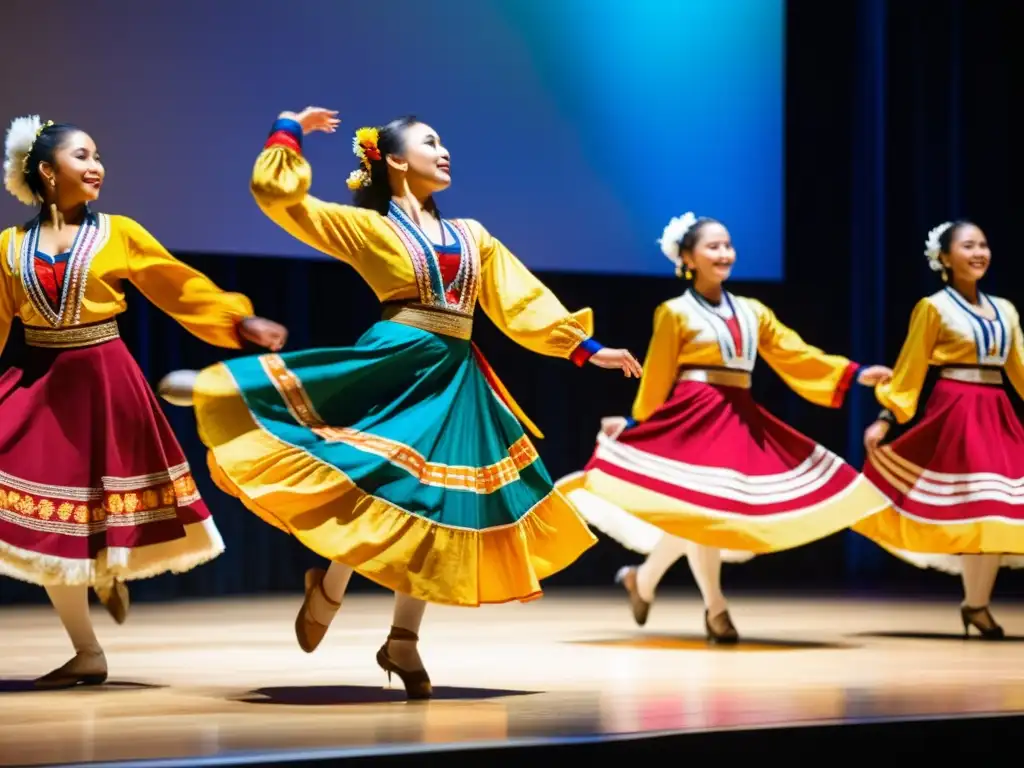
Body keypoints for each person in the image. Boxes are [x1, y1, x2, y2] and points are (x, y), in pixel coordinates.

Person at [159, 106, 642, 698]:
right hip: (397, 362)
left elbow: (521, 299)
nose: (444, 151)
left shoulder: (474, 236)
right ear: (393, 160)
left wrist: (584, 347)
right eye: (430, 142)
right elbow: (282, 201)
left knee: (434, 501)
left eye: (444, 142)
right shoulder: (372, 229)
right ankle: (227, 396)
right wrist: (288, 129)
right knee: (381, 480)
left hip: (455, 377)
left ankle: (401, 638)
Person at [0, 115, 287, 689]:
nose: (96, 166)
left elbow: (175, 284)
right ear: (45, 171)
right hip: (36, 381)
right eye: (82, 156)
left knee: (96, 507)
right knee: (54, 523)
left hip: (104, 381)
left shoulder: (119, 233)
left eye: (97, 155)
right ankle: (87, 649)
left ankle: (107, 573)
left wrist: (239, 319)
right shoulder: (8, 247)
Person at [557, 212, 892, 642]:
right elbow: (658, 373)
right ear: (689, 258)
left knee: (706, 513)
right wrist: (638, 422)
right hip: (691, 417)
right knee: (704, 512)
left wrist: (853, 372)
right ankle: (716, 609)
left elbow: (794, 352)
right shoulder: (674, 312)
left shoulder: (753, 311)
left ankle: (642, 581)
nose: (724, 253)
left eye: (728, 245)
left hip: (737, 416)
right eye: (713, 246)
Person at [855, 219, 1024, 640]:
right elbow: (911, 369)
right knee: (980, 508)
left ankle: (975, 604)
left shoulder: (1005, 309)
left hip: (997, 412)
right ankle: (978, 605)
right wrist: (887, 417)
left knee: (997, 511)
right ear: (945, 258)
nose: (979, 252)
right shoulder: (934, 308)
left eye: (984, 244)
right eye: (968, 246)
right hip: (956, 412)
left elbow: (1019, 368)